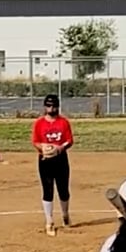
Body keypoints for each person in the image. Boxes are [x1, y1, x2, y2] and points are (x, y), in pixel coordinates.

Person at [32, 93, 74, 236]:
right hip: (45, 160)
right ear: (45, 106)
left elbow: (69, 141)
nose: (51, 108)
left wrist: (60, 148)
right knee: (47, 190)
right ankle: (49, 221)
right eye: (49, 106)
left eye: (54, 106)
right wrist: (42, 148)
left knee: (63, 190)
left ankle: (65, 215)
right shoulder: (39, 123)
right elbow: (35, 141)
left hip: (61, 159)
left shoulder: (63, 122)